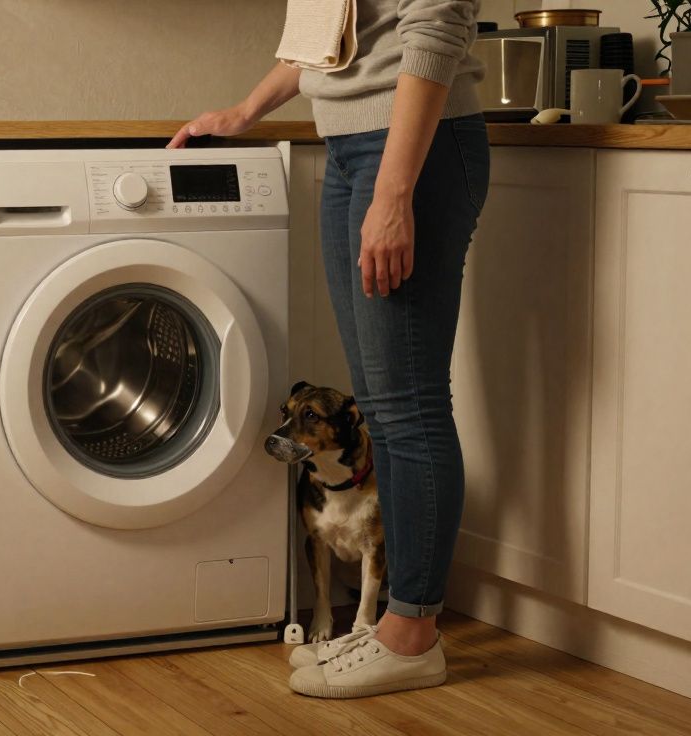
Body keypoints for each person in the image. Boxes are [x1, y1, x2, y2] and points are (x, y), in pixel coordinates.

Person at [171, 0, 490, 698]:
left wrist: (395, 191)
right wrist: (244, 111)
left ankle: (412, 633)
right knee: (380, 399)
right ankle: (396, 627)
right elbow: (332, 35)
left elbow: (433, 27)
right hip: (352, 145)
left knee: (408, 404)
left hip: (414, 146)